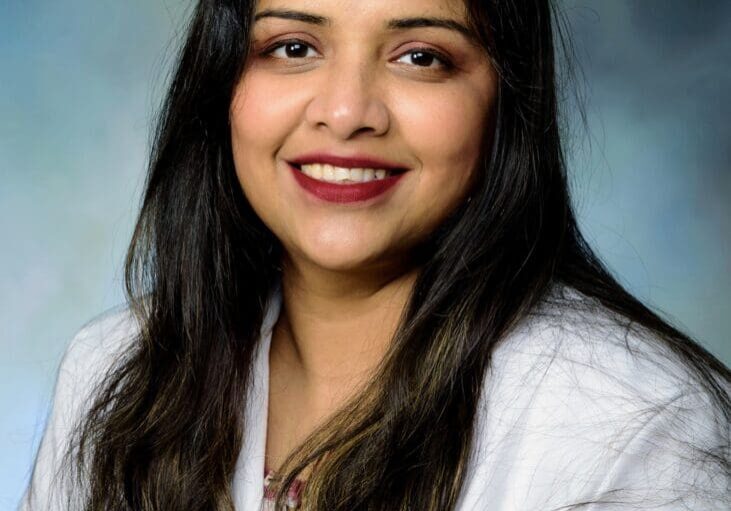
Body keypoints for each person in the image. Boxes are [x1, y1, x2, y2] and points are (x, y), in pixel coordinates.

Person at [20, 0, 730, 509]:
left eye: (420, 56)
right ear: (224, 81)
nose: (346, 109)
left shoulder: (631, 423)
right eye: (293, 46)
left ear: (504, 100)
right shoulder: (113, 369)